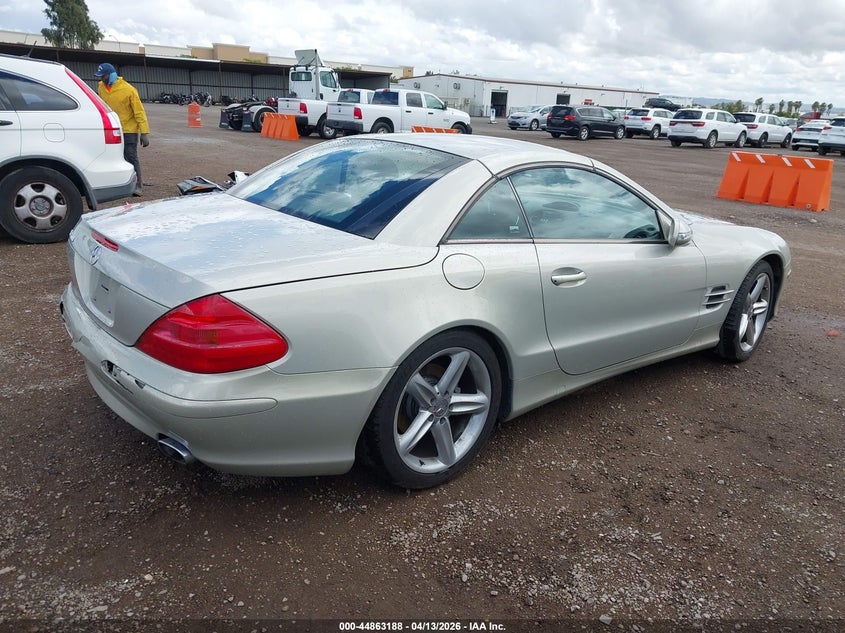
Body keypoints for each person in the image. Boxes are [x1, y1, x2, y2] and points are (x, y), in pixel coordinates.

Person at [95, 63, 150, 196]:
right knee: (112, 157)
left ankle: (137, 186)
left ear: (111, 75)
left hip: (128, 130)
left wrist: (144, 133)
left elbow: (139, 112)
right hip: (110, 128)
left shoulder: (129, 90)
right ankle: (119, 184)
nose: (101, 79)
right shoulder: (101, 87)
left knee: (130, 157)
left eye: (103, 76)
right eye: (100, 76)